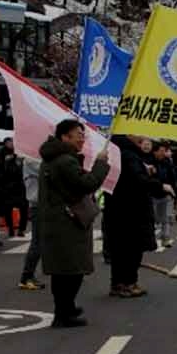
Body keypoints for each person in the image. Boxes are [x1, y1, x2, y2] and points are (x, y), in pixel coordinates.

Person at [38, 119, 110, 327]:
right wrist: (100, 164)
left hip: (59, 221)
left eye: (82, 135)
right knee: (71, 271)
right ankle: (63, 313)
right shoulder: (64, 161)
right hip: (66, 223)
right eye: (78, 135)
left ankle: (66, 308)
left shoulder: (53, 159)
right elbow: (87, 184)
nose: (82, 139)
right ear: (64, 137)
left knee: (64, 270)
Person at [105, 136, 166, 298]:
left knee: (119, 248)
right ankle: (129, 283)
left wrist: (144, 169)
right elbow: (138, 180)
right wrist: (160, 185)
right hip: (132, 209)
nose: (140, 136)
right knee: (132, 248)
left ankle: (117, 283)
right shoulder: (129, 155)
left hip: (115, 207)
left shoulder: (114, 151)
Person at [18, 155, 44, 290]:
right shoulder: (30, 160)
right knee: (37, 242)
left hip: (45, 204)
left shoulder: (37, 158)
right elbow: (47, 171)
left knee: (44, 241)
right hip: (38, 205)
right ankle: (26, 276)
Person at [151, 143, 177, 249]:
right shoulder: (149, 162)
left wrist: (172, 192)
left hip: (166, 195)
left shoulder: (167, 163)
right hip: (153, 194)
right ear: (155, 151)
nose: (163, 153)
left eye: (164, 151)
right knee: (152, 219)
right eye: (161, 151)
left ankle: (165, 239)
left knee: (166, 218)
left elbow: (172, 177)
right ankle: (151, 240)